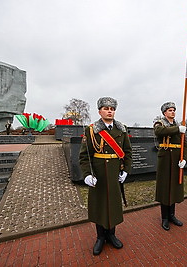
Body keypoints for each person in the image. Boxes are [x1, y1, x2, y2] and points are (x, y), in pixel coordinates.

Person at [79, 97, 132, 256]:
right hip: (99, 174)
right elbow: (85, 156)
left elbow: (127, 152)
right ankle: (100, 237)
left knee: (113, 204)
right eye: (106, 108)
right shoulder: (91, 130)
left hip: (115, 172)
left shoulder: (122, 129)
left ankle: (112, 235)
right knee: (100, 205)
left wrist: (126, 170)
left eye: (112, 109)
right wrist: (87, 174)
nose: (110, 111)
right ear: (99, 111)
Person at [154, 102, 187, 231]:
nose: (172, 112)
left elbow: (184, 144)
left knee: (174, 187)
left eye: (174, 110)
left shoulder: (180, 126)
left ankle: (172, 215)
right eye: (169, 110)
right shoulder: (160, 123)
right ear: (164, 113)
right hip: (165, 159)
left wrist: (184, 159)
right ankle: (164, 218)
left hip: (176, 160)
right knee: (165, 188)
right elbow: (159, 132)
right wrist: (177, 129)